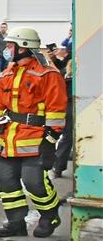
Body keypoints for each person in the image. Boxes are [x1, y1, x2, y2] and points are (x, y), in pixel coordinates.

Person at [0, 26, 66, 238]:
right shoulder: (8, 72)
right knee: (5, 180)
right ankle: (16, 223)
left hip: (35, 138)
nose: (7, 48)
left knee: (34, 182)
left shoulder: (47, 74)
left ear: (24, 47)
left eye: (11, 45)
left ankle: (50, 215)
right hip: (9, 138)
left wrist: (50, 141)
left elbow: (56, 110)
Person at [52, 44, 74, 178]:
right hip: (72, 106)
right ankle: (58, 166)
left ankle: (58, 166)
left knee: (67, 137)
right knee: (68, 137)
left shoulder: (65, 76)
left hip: (67, 106)